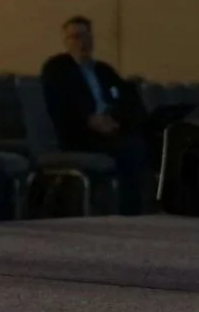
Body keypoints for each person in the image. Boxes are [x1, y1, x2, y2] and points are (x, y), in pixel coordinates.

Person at [41, 16, 151, 215]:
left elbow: (126, 100)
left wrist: (115, 120)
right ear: (65, 42)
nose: (80, 42)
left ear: (92, 39)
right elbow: (58, 107)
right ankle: (130, 212)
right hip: (80, 133)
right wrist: (89, 120)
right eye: (74, 37)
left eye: (84, 36)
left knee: (146, 140)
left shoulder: (104, 70)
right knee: (130, 149)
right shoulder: (57, 69)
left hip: (111, 127)